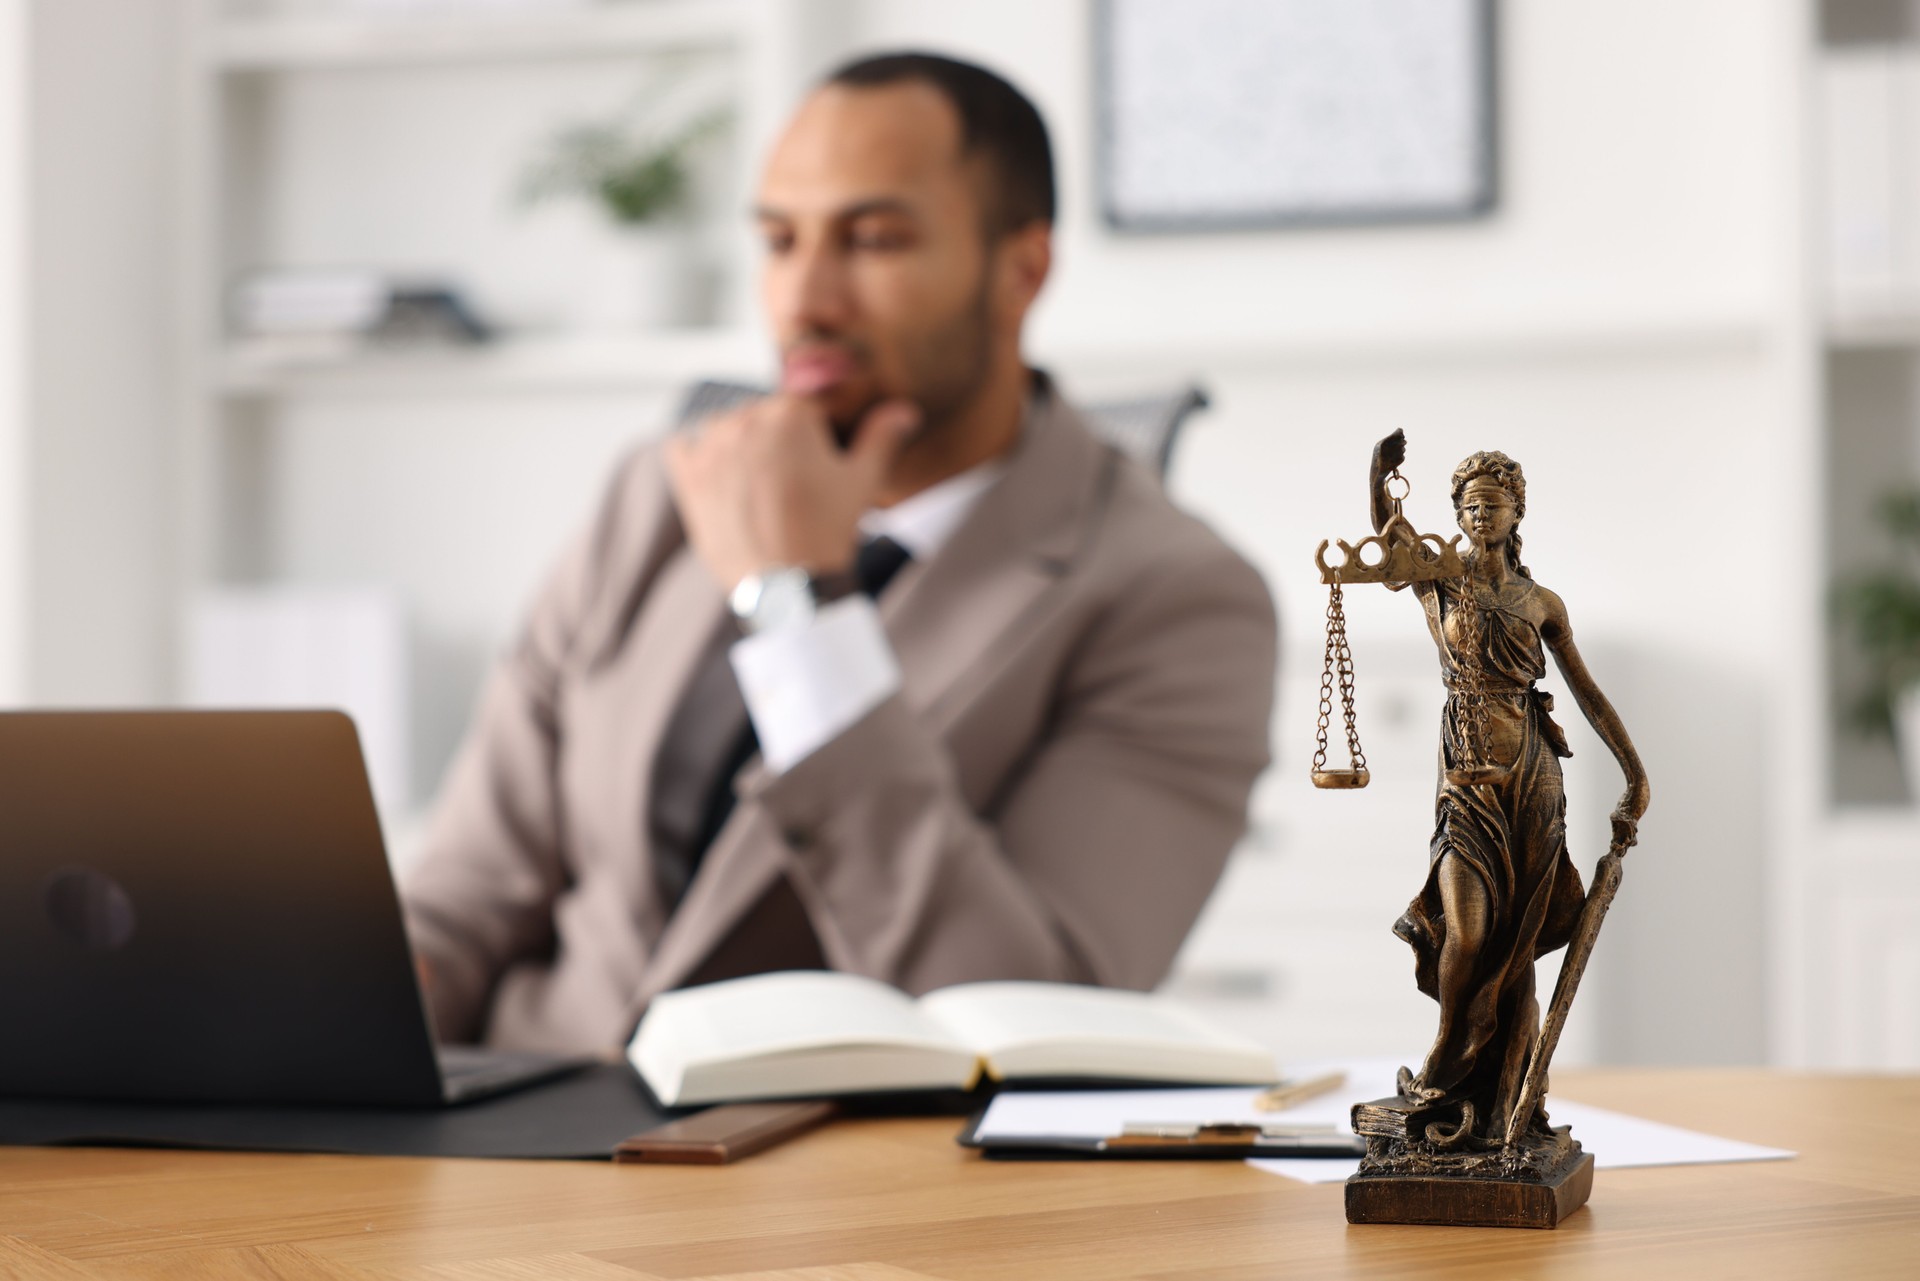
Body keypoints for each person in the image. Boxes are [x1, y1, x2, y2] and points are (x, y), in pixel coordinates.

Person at [401, 53, 1278, 1052]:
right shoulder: (657, 494)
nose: (806, 300)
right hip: (528, 1142)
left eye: (872, 239)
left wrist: (799, 611)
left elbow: (1029, 1013)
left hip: (839, 1178)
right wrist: (319, 1034)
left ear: (1021, 270)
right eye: (779, 240)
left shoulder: (1178, 598)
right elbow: (469, 895)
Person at [1367, 429, 1649, 1145]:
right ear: (1456, 514)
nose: (1481, 515)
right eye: (1469, 504)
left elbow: (1586, 692)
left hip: (1531, 782)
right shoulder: (1439, 579)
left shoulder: (1540, 602)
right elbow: (1387, 537)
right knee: (1467, 928)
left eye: (1494, 503)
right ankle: (1447, 1054)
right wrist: (1380, 474)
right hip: (1465, 781)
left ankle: (1506, 1100)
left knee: (1517, 942)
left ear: (1517, 512)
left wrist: (1634, 771)